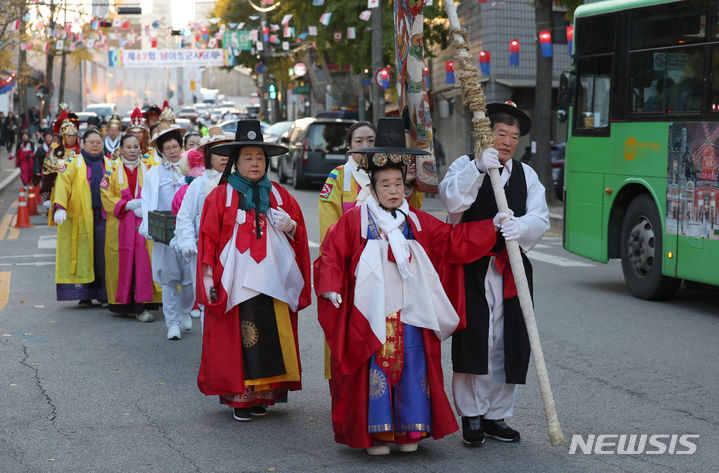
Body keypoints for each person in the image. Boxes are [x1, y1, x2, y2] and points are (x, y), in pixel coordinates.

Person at [314, 117, 503, 455]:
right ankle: (377, 433)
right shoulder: (354, 220)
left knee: (413, 365)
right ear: (371, 188)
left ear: (406, 187)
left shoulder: (415, 221)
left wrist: (493, 228)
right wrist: (330, 285)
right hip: (371, 311)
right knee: (374, 365)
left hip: (410, 313)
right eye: (385, 184)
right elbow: (330, 255)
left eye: (398, 184)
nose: (393, 190)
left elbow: (452, 240)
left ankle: (408, 431)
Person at [439, 100, 550, 446]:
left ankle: (496, 415)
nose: (507, 141)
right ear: (486, 134)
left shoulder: (526, 174)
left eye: (513, 136)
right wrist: (476, 169)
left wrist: (520, 226)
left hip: (510, 266)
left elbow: (541, 216)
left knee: (510, 339)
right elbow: (452, 202)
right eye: (501, 133)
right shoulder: (464, 164)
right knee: (477, 338)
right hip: (473, 265)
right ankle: (472, 414)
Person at [195, 119, 311, 422]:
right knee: (239, 333)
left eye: (260, 157)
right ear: (235, 162)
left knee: (271, 330)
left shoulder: (280, 195)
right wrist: (208, 277)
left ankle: (264, 394)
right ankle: (240, 396)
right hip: (235, 279)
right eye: (248, 157)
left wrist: (293, 226)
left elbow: (298, 234)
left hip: (274, 276)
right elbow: (207, 238)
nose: (255, 163)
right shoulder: (220, 196)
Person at [318, 121, 423, 378]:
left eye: (371, 140)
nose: (366, 146)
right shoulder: (338, 177)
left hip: (391, 264)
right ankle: (348, 387)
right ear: (349, 146)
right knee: (351, 331)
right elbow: (329, 228)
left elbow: (414, 213)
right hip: (352, 266)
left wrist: (407, 186)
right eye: (359, 141)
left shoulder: (390, 172)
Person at [169, 127, 234, 325]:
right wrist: (188, 241)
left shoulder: (238, 182)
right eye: (217, 152)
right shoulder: (197, 185)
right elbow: (185, 217)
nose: (224, 157)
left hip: (232, 251)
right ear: (208, 155)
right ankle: (211, 348)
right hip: (203, 251)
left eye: (227, 152)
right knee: (208, 298)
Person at [139, 122, 194, 340]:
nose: (172, 151)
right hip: (164, 232)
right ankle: (172, 322)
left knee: (190, 279)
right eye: (168, 148)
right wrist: (150, 226)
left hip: (187, 231)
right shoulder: (154, 174)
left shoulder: (190, 171)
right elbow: (147, 201)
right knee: (169, 279)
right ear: (161, 150)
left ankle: (186, 309)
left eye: (176, 147)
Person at [101, 133, 162, 321]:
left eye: (136, 146)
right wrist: (125, 205)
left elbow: (159, 193)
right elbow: (105, 195)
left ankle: (142, 306)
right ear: (121, 150)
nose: (133, 150)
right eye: (128, 147)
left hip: (143, 224)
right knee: (123, 263)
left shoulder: (151, 170)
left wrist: (145, 207)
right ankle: (124, 304)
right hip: (121, 226)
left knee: (144, 264)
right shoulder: (111, 172)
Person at [52, 129, 114, 307]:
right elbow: (62, 184)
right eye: (91, 142)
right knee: (83, 254)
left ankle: (104, 293)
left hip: (104, 216)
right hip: (80, 216)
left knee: (103, 255)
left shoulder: (110, 164)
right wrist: (60, 207)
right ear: (83, 144)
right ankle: (85, 294)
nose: (95, 145)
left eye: (98, 142)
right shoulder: (71, 163)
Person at [41, 111, 81, 217]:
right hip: (60, 196)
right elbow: (48, 177)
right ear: (63, 136)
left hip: (80, 194)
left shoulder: (82, 152)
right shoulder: (55, 153)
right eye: (69, 135)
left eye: (73, 135)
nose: (71, 138)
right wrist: (47, 197)